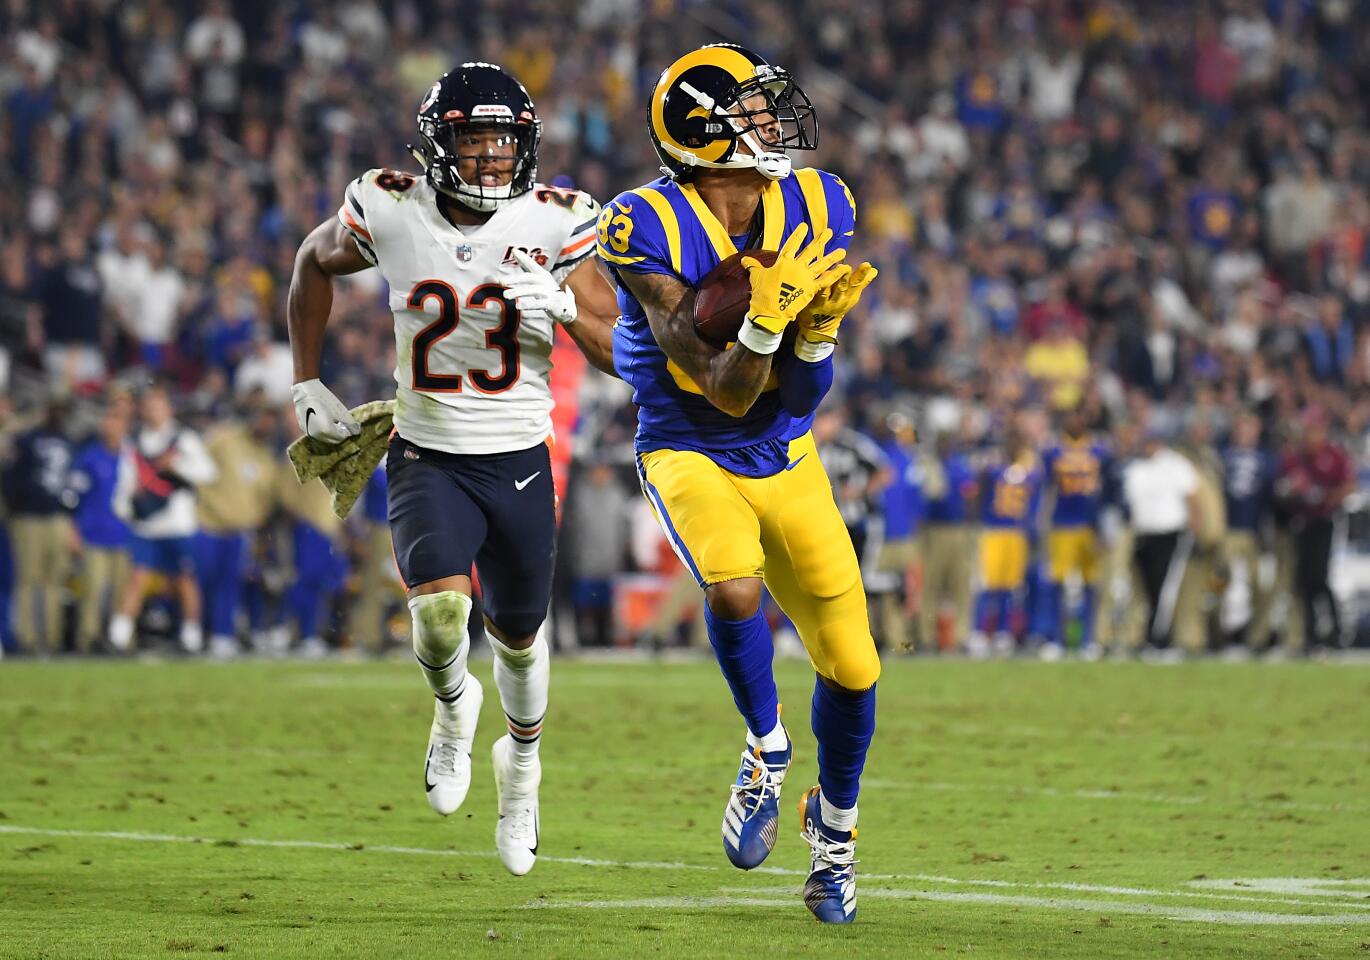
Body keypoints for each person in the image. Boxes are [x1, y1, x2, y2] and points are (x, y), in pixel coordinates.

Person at [285, 62, 620, 875]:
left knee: (520, 644)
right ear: (440, 145)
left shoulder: (559, 222)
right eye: (474, 142)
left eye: (504, 143)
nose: (492, 160)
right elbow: (311, 262)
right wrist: (305, 378)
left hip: (520, 461)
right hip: (427, 451)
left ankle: (522, 773)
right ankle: (449, 712)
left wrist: (570, 310)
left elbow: (623, 353)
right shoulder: (392, 207)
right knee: (439, 621)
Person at [597, 43, 878, 923]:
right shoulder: (639, 225)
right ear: (701, 133)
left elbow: (796, 393)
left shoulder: (820, 203)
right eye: (752, 110)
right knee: (732, 581)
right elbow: (720, 384)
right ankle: (765, 746)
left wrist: (817, 335)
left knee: (857, 667)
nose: (772, 121)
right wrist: (761, 321)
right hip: (690, 442)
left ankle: (833, 841)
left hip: (787, 449)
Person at [109, 382, 218, 654]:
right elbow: (126, 479)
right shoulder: (134, 441)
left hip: (178, 524)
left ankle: (190, 637)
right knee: (137, 579)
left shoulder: (183, 439)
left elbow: (208, 472)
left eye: (158, 404)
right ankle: (119, 638)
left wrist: (177, 466)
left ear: (168, 407)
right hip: (147, 524)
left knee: (185, 580)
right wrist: (126, 506)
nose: (153, 410)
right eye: (149, 405)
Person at [193, 403, 278, 658]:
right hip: (209, 523)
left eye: (270, 421)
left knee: (230, 584)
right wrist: (203, 497)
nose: (265, 425)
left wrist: (257, 524)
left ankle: (222, 635)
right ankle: (196, 633)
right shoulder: (224, 439)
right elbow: (195, 461)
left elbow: (266, 500)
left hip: (241, 530)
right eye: (262, 418)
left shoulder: (266, 459)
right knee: (201, 581)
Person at [1277, 408, 1355, 652]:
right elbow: (1282, 489)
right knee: (1304, 579)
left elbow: (1350, 485)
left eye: (1316, 430)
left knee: (1319, 577)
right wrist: (1294, 489)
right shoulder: (1295, 457)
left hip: (1325, 520)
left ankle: (1337, 631)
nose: (1312, 435)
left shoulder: (1334, 454)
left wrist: (1328, 497)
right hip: (1301, 522)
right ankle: (1311, 635)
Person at [2, 398, 76, 652]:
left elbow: (70, 480)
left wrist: (69, 515)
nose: (58, 414)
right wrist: (19, 506)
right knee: (27, 580)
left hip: (57, 517)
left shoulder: (67, 441)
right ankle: (27, 638)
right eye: (54, 408)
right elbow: (12, 476)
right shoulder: (28, 439)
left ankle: (52, 639)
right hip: (29, 517)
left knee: (55, 580)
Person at [1121, 426, 1203, 652]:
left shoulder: (1176, 465)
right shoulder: (1136, 467)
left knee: (1166, 588)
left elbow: (1193, 499)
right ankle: (1148, 636)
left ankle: (1162, 639)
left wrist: (1195, 530)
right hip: (1143, 534)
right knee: (1147, 588)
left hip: (1171, 534)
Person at [1039, 408, 1110, 657]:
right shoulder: (1053, 450)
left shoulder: (1099, 450)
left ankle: (1088, 639)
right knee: (1057, 583)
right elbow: (1046, 488)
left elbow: (1107, 490)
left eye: (1077, 415)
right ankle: (1056, 638)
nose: (1074, 420)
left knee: (1091, 584)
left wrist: (1104, 527)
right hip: (1063, 524)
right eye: (1069, 416)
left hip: (1090, 525)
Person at [969, 420, 1044, 657]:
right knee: (988, 584)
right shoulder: (992, 466)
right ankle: (980, 631)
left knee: (1010, 587)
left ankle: (1002, 630)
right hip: (994, 530)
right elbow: (979, 492)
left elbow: (1035, 501)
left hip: (1017, 533)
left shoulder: (1031, 469)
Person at [70, 396, 134, 653]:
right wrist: (72, 529)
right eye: (108, 419)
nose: (111, 425)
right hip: (93, 534)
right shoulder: (89, 457)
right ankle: (88, 641)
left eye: (117, 420)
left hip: (126, 534)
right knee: (93, 593)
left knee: (124, 593)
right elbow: (73, 497)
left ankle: (122, 642)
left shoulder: (134, 457)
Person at [917, 428, 978, 653]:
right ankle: (927, 637)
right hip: (933, 530)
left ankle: (960, 636)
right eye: (940, 442)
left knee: (960, 584)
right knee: (930, 584)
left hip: (958, 529)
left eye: (947, 442)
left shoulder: (960, 466)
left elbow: (970, 497)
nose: (943, 446)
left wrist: (970, 529)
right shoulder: (926, 466)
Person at [1220, 412, 1277, 650]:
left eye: (1250, 428)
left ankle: (1258, 637)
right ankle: (1216, 633)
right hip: (1228, 531)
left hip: (1255, 531)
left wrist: (1267, 530)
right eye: (1242, 427)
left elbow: (1271, 498)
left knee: (1260, 586)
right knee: (1218, 583)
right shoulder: (1223, 457)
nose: (1246, 433)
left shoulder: (1267, 459)